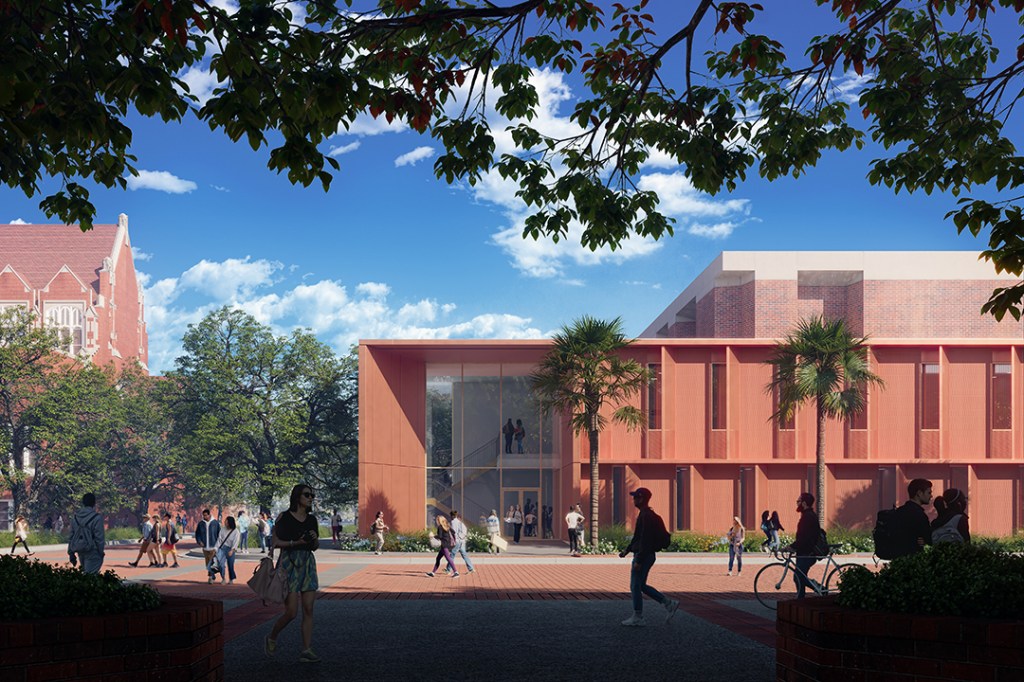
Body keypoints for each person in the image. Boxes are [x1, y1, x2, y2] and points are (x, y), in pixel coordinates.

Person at [265, 483, 321, 663]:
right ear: (297, 497)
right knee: (291, 612)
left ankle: (306, 650)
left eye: (312, 495)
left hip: (307, 563)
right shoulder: (285, 517)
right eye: (307, 495)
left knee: (309, 608)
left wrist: (313, 540)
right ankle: (272, 636)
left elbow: (315, 546)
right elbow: (275, 542)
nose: (310, 498)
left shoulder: (312, 520)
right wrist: (296, 542)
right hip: (289, 564)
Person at [618, 488, 679, 626]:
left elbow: (645, 539)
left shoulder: (646, 516)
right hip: (647, 555)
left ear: (641, 498)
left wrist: (638, 559)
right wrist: (627, 551)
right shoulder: (646, 514)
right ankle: (668, 603)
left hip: (643, 555)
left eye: (635, 497)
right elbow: (638, 537)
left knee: (635, 585)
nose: (633, 500)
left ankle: (638, 616)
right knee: (641, 585)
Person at [786, 493, 821, 599]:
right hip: (804, 552)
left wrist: (792, 547)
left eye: (799, 501)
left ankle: (818, 588)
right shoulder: (808, 515)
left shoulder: (808, 517)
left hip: (807, 553)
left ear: (804, 503)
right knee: (799, 577)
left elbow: (804, 538)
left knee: (799, 576)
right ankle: (801, 597)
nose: (797, 503)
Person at [894, 478, 934, 558]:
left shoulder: (899, 511)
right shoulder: (919, 515)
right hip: (914, 558)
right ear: (919, 493)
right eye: (928, 493)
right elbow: (930, 538)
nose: (931, 496)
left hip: (898, 558)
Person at [68, 493, 105, 574]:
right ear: (94, 503)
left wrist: (71, 553)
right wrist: (101, 552)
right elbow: (99, 537)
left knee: (86, 574)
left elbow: (71, 536)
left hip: (80, 550)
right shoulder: (97, 518)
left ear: (83, 503)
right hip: (93, 550)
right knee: (90, 577)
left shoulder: (75, 517)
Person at [425, 514, 459, 578]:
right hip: (448, 544)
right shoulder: (447, 526)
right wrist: (453, 540)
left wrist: (433, 536)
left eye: (437, 520)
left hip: (444, 545)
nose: (436, 521)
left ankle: (456, 572)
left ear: (439, 521)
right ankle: (432, 573)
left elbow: (440, 536)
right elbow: (454, 532)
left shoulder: (440, 527)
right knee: (438, 558)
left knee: (448, 558)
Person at [195, 508, 221, 581]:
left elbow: (220, 535)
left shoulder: (215, 523)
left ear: (209, 515)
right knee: (207, 562)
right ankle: (212, 574)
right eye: (203, 515)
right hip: (205, 547)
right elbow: (197, 534)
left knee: (211, 562)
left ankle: (210, 576)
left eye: (206, 515)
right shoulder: (201, 524)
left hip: (213, 546)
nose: (204, 517)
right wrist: (199, 541)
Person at [215, 515, 240, 584]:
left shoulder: (236, 531)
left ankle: (231, 579)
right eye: (225, 521)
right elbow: (219, 540)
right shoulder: (222, 529)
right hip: (222, 548)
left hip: (231, 548)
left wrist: (232, 550)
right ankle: (223, 578)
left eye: (226, 521)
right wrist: (216, 548)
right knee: (221, 564)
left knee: (230, 564)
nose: (225, 522)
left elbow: (236, 542)